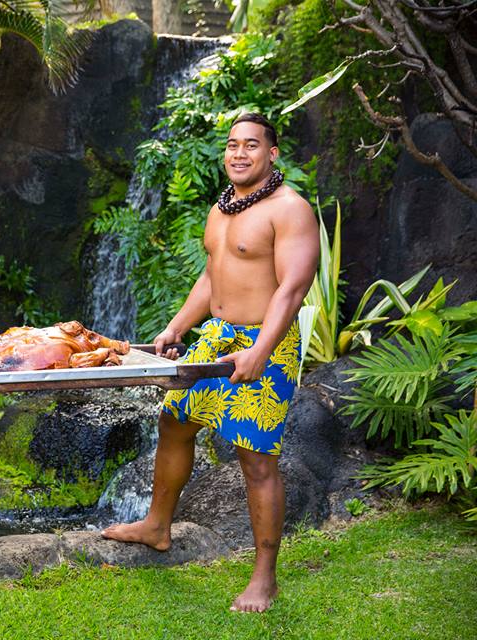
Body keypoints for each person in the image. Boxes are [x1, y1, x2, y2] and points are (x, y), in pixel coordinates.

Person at [102, 112, 319, 613]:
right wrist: (177, 327)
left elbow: (292, 289)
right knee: (174, 422)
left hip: (266, 341)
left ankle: (264, 578)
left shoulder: (290, 211)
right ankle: (158, 526)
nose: (239, 154)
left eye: (251, 145)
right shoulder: (222, 208)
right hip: (217, 337)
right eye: (232, 145)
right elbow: (210, 276)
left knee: (256, 460)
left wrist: (260, 352)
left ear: (272, 154)